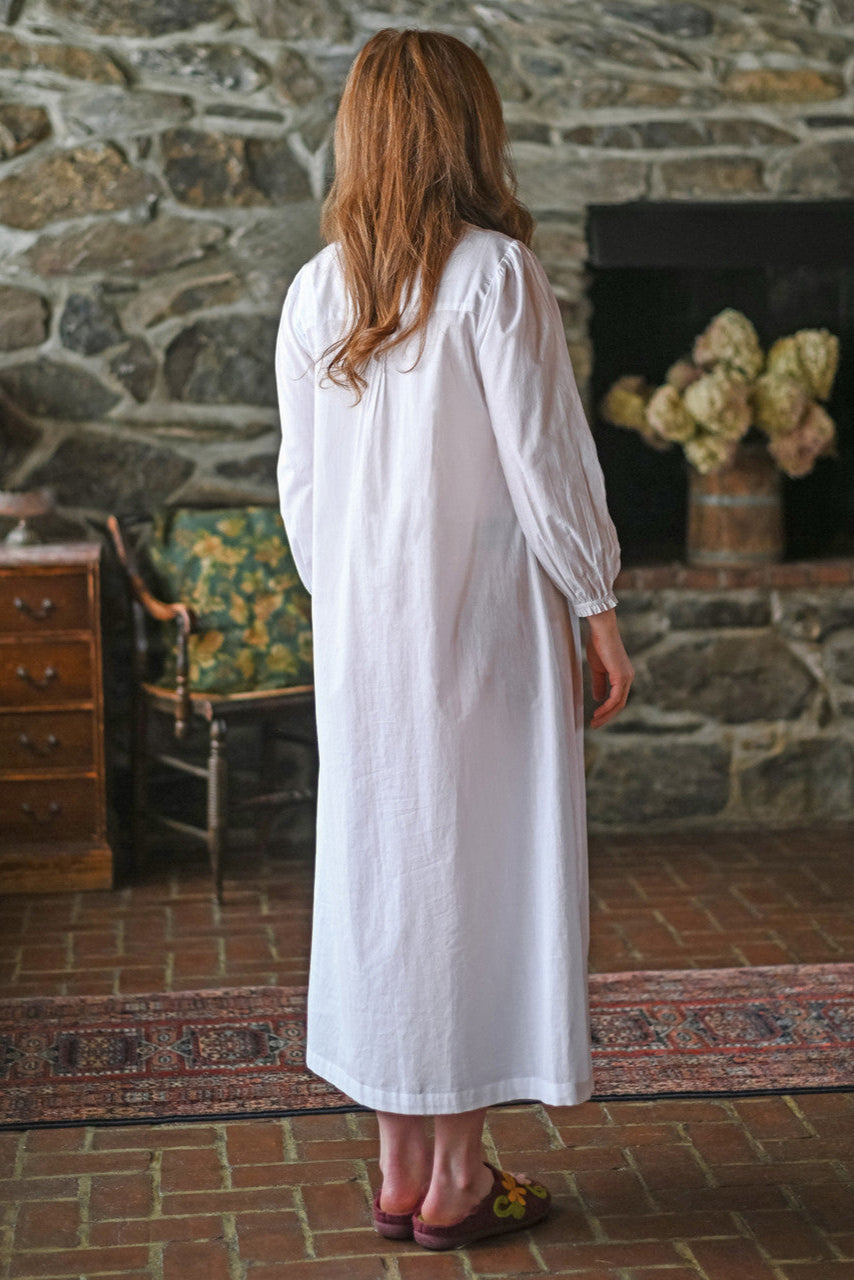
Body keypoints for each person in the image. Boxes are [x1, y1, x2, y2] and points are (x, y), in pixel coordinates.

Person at [275, 28, 634, 1252]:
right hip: (481, 632)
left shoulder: (317, 288)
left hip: (365, 638)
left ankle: (394, 1169)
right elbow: (546, 462)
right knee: (474, 869)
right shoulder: (493, 274)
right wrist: (596, 600)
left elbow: (303, 496)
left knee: (389, 870)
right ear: (464, 133)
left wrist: (358, 610)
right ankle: (460, 1177)